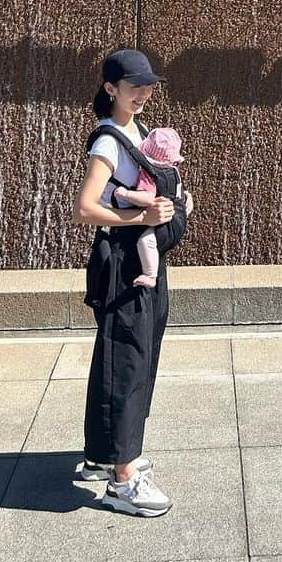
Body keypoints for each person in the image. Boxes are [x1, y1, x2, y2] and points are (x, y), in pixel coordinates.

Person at [73, 48, 195, 517]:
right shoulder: (107, 141)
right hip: (124, 263)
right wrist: (139, 215)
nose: (142, 94)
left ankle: (102, 456)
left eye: (147, 86)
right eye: (133, 87)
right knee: (127, 359)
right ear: (111, 89)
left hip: (141, 258)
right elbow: (85, 208)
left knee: (126, 355)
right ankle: (124, 477)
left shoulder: (140, 132)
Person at [112, 127, 187, 289]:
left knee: (146, 241)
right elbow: (181, 194)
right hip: (178, 221)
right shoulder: (174, 170)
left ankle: (150, 275)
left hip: (162, 224)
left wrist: (125, 194)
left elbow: (146, 198)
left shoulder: (149, 174)